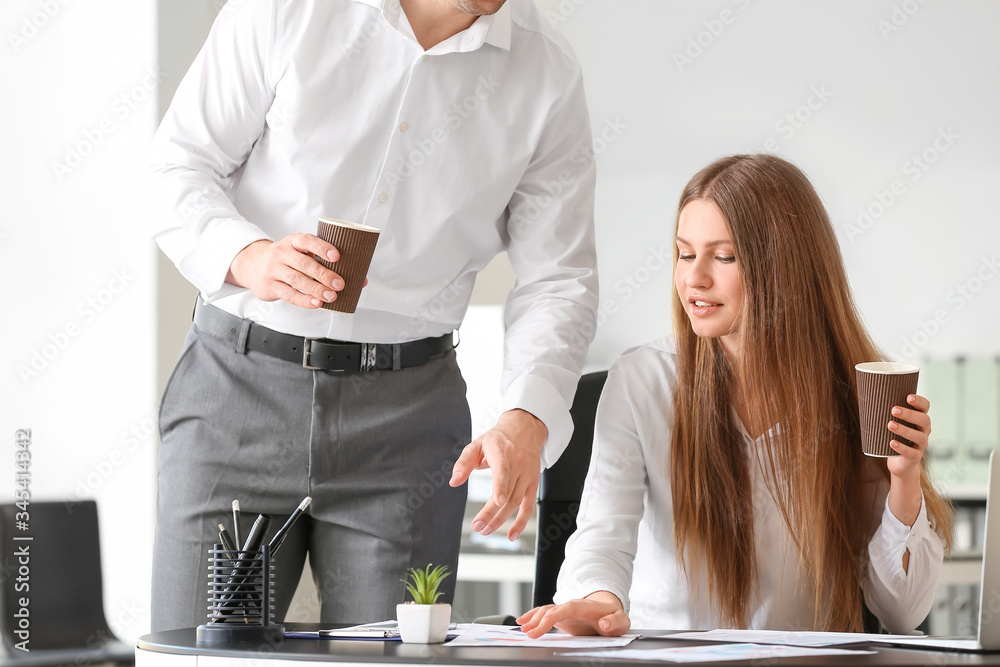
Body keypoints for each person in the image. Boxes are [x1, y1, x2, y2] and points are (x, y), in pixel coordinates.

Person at [144, 0, 598, 631]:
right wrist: (248, 257)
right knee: (205, 652)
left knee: (394, 659)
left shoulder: (547, 72)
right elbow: (178, 165)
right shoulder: (287, 9)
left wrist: (527, 414)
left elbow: (559, 277)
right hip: (236, 393)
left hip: (408, 430)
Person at [517, 154, 953, 637]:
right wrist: (598, 601)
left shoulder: (854, 391)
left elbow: (902, 613)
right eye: (685, 254)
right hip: (667, 657)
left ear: (784, 266)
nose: (695, 279)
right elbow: (603, 536)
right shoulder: (642, 379)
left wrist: (904, 477)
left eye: (724, 257)